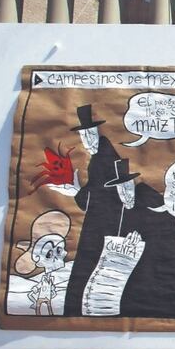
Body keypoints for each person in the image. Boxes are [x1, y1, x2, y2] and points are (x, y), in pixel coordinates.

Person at [97, 158, 175, 318]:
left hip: (165, 258)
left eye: (126, 188)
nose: (124, 193)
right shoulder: (120, 211)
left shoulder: (148, 198)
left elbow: (164, 226)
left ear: (132, 184)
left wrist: (143, 235)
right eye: (120, 190)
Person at [48, 104, 124, 316]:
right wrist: (77, 192)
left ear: (96, 134)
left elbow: (103, 196)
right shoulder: (99, 158)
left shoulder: (104, 159)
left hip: (104, 226)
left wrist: (75, 192)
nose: (86, 140)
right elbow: (94, 197)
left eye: (89, 135)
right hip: (98, 224)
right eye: (83, 136)